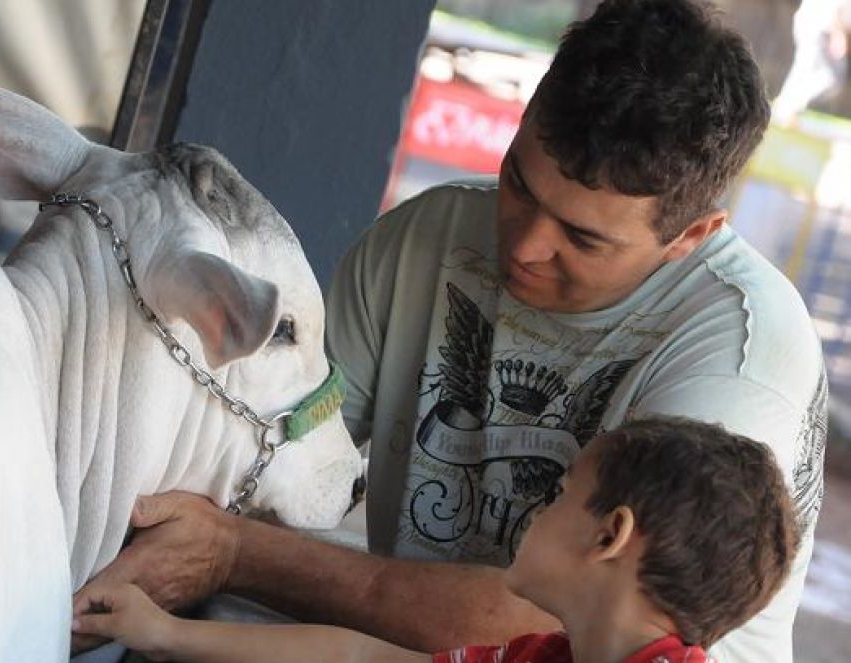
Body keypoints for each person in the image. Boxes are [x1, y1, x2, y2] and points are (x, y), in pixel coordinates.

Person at [75, 1, 828, 661]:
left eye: (583, 237)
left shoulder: (740, 353)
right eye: (518, 183)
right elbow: (268, 467)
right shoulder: (423, 240)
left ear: (693, 235)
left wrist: (231, 552)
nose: (525, 245)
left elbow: (550, 629)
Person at [73, 417, 800, 663]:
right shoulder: (542, 655)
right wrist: (165, 631)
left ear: (610, 535)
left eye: (558, 496)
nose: (535, 513)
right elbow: (359, 653)